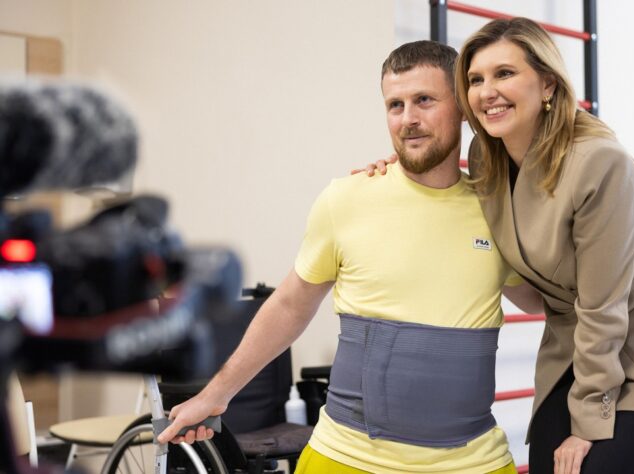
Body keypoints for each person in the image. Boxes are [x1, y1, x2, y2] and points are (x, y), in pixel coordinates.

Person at [156, 40, 544, 474]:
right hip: (347, 458)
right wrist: (215, 395)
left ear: (462, 109)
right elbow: (289, 305)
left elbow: (541, 301)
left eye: (424, 100)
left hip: (474, 462)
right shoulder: (348, 198)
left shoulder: (496, 209)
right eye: (395, 105)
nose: (408, 119)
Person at [455, 17, 634, 474]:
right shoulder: (484, 159)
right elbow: (521, 277)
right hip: (585, 343)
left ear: (548, 83)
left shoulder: (597, 161)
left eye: (504, 73)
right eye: (476, 79)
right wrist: (399, 170)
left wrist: (588, 422)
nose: (487, 91)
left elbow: (602, 305)